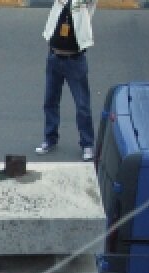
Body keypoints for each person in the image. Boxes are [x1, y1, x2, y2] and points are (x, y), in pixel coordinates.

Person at [37, 0, 95, 161]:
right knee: (50, 102)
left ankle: (87, 144)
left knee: (82, 105)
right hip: (54, 57)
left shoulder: (84, 4)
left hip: (75, 60)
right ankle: (50, 138)